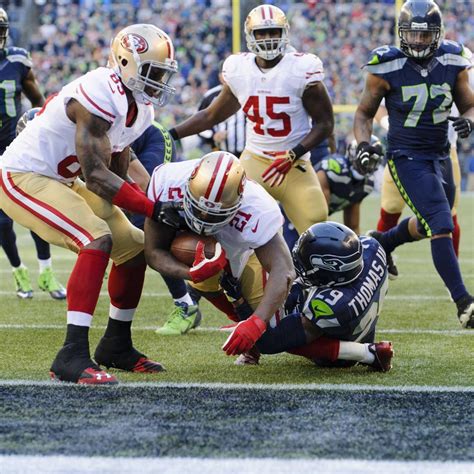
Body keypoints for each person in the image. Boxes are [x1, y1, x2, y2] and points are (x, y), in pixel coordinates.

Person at [0, 24, 181, 384]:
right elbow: (97, 176)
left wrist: (155, 200)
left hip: (63, 179)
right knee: (96, 237)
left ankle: (116, 345)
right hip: (23, 175)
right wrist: (152, 208)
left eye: (163, 72)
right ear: (127, 63)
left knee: (133, 247)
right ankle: (70, 356)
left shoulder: (139, 107)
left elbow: (116, 171)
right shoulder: (100, 92)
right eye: (153, 71)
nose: (159, 80)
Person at [353, 0, 474, 329]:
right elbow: (363, 113)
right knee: (441, 222)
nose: (418, 41)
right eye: (412, 34)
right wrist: (363, 143)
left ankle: (383, 241)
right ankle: (464, 302)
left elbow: (469, 105)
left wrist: (468, 120)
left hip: (440, 153)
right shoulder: (386, 64)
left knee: (428, 222)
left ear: (438, 34)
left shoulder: (453, 59)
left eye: (425, 35)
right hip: (406, 155)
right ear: (401, 33)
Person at [169, 4, 333, 234]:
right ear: (250, 35)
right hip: (254, 160)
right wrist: (170, 134)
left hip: (294, 165)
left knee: (316, 221)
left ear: (284, 33)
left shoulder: (301, 69)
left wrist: (293, 154)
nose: (268, 38)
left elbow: (325, 123)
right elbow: (210, 115)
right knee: (228, 223)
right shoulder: (240, 70)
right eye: (261, 33)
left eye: (274, 32)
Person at [144, 151, 295, 355]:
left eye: (215, 215)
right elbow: (153, 252)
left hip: (247, 252)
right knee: (197, 264)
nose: (203, 219)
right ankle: (238, 320)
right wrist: (192, 273)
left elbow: (284, 270)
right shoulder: (168, 181)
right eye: (197, 209)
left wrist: (257, 323)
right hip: (206, 250)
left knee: (271, 336)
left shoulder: (258, 208)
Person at [221, 222, 393, 371]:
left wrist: (238, 301)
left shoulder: (332, 305)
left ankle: (366, 354)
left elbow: (269, 342)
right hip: (360, 322)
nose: (299, 265)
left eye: (305, 264)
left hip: (341, 351)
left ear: (332, 270)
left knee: (274, 311)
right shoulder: (371, 246)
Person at [0, 8, 66, 300]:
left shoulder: (17, 61)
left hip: (17, 147)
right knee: (3, 222)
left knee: (34, 212)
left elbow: (38, 101)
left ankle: (47, 271)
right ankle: (19, 271)